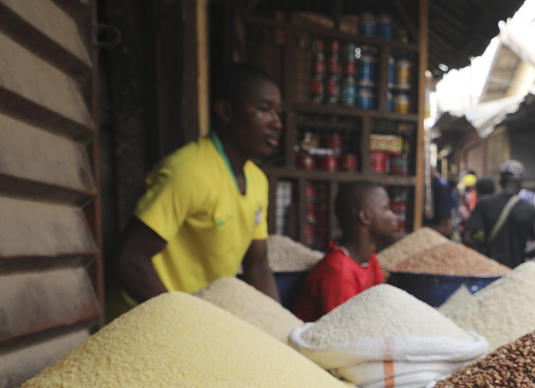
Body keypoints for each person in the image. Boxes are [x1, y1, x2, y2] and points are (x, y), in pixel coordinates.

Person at [115, 63, 281, 305]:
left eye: (278, 113)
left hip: (201, 319)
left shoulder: (257, 181)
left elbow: (257, 265)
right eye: (264, 109)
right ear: (226, 111)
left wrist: (283, 327)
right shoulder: (187, 171)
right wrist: (182, 320)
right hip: (153, 321)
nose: (276, 123)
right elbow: (129, 261)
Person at [294, 182, 397, 321]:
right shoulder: (338, 273)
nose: (394, 216)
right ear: (365, 217)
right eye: (386, 208)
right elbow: (344, 332)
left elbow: (381, 307)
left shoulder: (368, 259)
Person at [463, 160, 535, 268]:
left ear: (500, 181)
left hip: (489, 270)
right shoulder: (531, 210)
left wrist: (482, 253)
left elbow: (467, 237)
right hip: (516, 272)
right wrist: (522, 254)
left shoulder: (483, 203)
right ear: (520, 184)